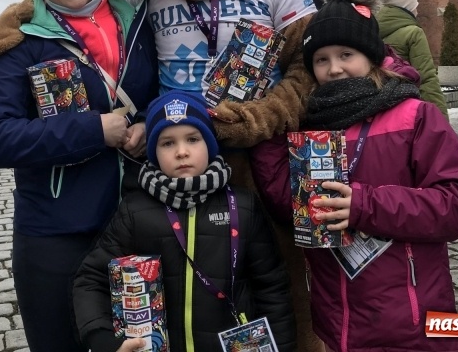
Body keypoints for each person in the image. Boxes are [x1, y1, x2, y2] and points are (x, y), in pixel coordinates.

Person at [251, 0, 458, 352]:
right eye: (321, 59)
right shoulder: (311, 126)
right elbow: (287, 203)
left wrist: (365, 204)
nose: (334, 68)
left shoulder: (413, 116)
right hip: (338, 321)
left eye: (346, 54)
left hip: (414, 319)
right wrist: (265, 133)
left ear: (372, 56)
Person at [0, 0, 159, 352]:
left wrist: (152, 122)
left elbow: (164, 92)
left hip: (140, 215)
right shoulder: (20, 42)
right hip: (57, 231)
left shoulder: (137, 21)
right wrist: (93, 130)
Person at [73, 91, 297, 352]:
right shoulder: (134, 210)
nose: (181, 152)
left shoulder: (244, 206)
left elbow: (272, 288)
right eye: (167, 143)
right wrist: (103, 341)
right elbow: (91, 279)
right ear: (154, 151)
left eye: (192, 139)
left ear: (210, 144)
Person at [377, 0, 449, 117]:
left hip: (377, 110)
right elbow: (426, 78)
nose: (418, 12)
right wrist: (441, 118)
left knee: (335, 139)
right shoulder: (414, 33)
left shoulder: (370, 31)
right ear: (406, 9)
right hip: (406, 108)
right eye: (415, 7)